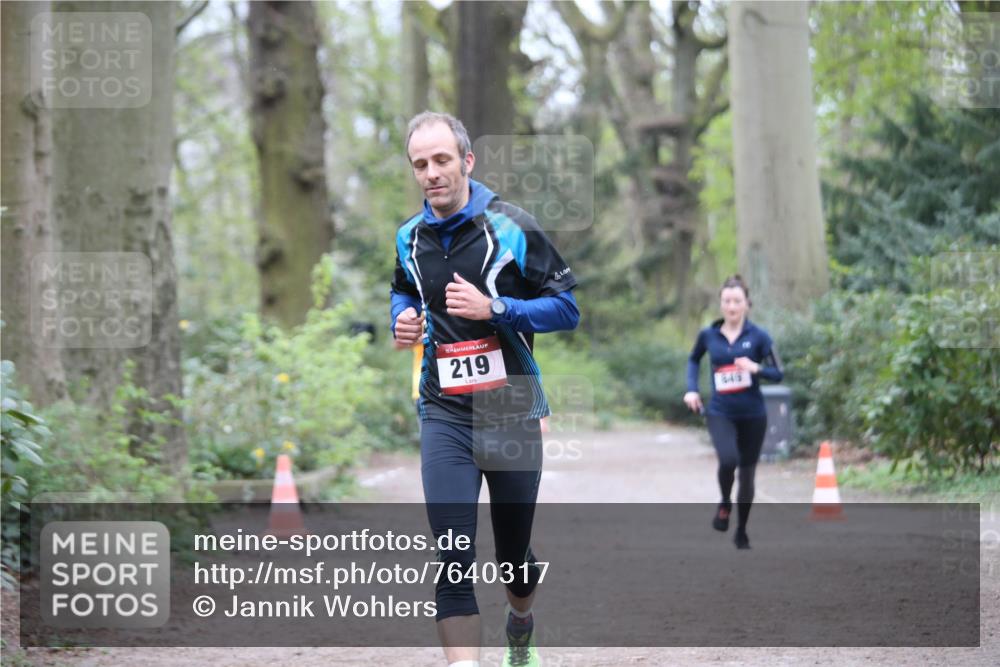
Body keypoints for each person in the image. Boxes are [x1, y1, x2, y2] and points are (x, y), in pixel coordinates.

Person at [390, 111, 580, 667]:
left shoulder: (511, 226)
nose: (431, 173)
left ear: (467, 161)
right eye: (420, 164)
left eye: (442, 160)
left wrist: (497, 308)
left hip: (511, 409)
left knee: (513, 559)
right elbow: (404, 288)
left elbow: (567, 308)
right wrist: (402, 318)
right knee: (453, 559)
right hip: (443, 413)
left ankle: (520, 623)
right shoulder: (409, 237)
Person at [683, 275, 783, 550]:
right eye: (727, 301)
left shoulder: (760, 337)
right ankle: (725, 502)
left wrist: (756, 368)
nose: (732, 306)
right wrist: (692, 389)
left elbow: (779, 373)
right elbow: (693, 360)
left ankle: (741, 529)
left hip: (753, 414)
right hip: (720, 411)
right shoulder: (708, 335)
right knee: (728, 460)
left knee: (748, 474)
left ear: (747, 304)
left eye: (737, 301)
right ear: (721, 304)